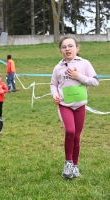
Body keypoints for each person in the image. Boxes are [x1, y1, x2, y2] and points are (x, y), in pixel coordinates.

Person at [50, 34, 99, 179]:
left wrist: (79, 77)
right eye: (64, 47)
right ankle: (68, 162)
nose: (67, 49)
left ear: (77, 48)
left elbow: (95, 82)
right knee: (70, 131)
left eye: (70, 46)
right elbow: (53, 84)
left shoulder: (84, 64)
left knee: (77, 136)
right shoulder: (58, 68)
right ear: (60, 51)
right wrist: (54, 94)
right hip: (65, 105)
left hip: (80, 106)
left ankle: (75, 166)